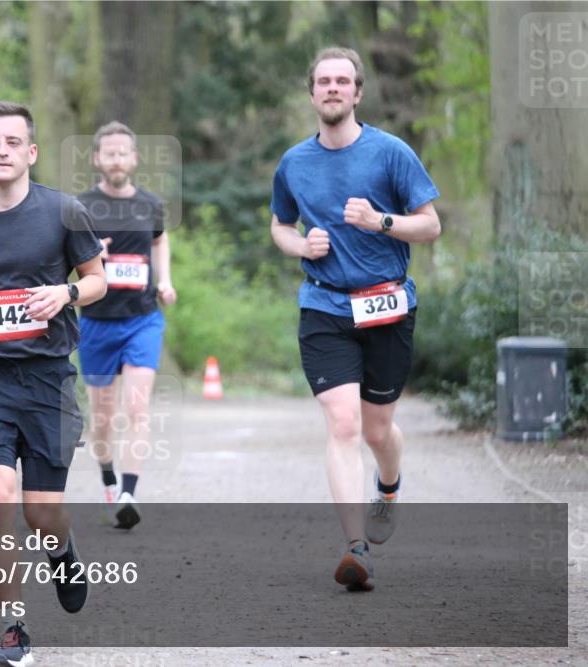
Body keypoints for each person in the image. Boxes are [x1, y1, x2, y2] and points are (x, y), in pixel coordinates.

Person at [0, 101, 106, 666]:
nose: (3, 150)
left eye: (14, 141)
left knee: (41, 514)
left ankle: (61, 550)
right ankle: (12, 629)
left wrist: (67, 294)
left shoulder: (63, 212)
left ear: (30, 152)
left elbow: (98, 281)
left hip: (48, 379)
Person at [269, 48, 441, 591]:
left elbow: (431, 225)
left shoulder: (391, 153)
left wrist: (381, 220)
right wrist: (301, 243)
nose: (333, 88)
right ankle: (356, 548)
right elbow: (279, 225)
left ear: (358, 93)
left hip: (387, 303)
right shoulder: (294, 162)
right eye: (324, 81)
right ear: (312, 92)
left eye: (343, 81)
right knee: (342, 422)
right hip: (324, 304)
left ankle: (388, 487)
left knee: (377, 428)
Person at [76, 121, 176, 529]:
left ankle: (129, 492)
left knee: (136, 407)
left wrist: (165, 279)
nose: (117, 159)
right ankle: (107, 479)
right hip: (97, 322)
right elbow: (64, 258)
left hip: (142, 319)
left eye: (124, 152)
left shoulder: (150, 204)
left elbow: (159, 240)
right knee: (102, 416)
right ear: (98, 159)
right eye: (109, 153)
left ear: (134, 159)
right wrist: (91, 252)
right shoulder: (80, 206)